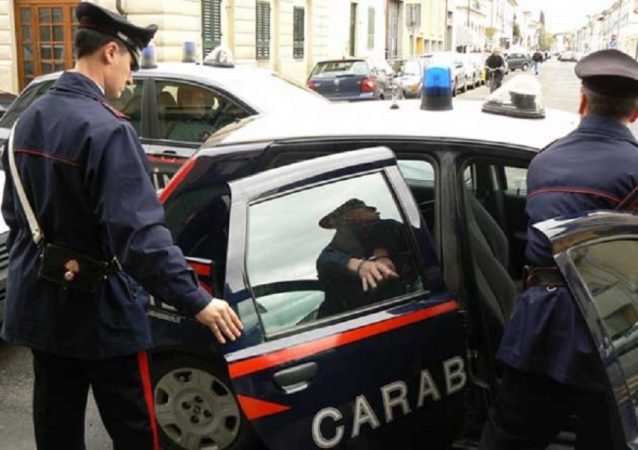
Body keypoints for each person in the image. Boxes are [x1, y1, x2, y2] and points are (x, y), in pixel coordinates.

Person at [0, 3, 243, 450]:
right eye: (131, 63)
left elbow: (15, 215)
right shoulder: (108, 130)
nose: (131, 78)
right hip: (100, 313)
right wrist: (197, 300)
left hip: (39, 306)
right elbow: (140, 239)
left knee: (56, 428)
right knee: (134, 429)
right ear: (110, 52)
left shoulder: (25, 121)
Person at [479, 49, 638, 449]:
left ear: (583, 103)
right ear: (635, 113)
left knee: (509, 438)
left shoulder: (544, 161)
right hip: (613, 332)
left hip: (541, 327)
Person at [315, 199, 418, 317]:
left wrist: (381, 255)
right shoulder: (332, 254)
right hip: (345, 319)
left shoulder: (386, 230)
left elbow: (391, 227)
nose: (376, 211)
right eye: (368, 210)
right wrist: (360, 266)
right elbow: (328, 261)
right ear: (350, 216)